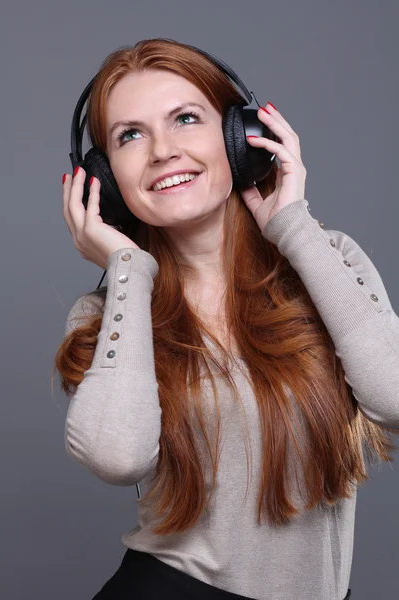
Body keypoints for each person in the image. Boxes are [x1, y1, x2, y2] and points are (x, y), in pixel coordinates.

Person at [54, 38, 399, 600]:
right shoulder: (105, 315)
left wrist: (293, 227)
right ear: (104, 177)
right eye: (130, 135)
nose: (163, 151)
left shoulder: (327, 259)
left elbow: (395, 397)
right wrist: (125, 269)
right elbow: (118, 457)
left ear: (241, 136)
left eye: (186, 119)